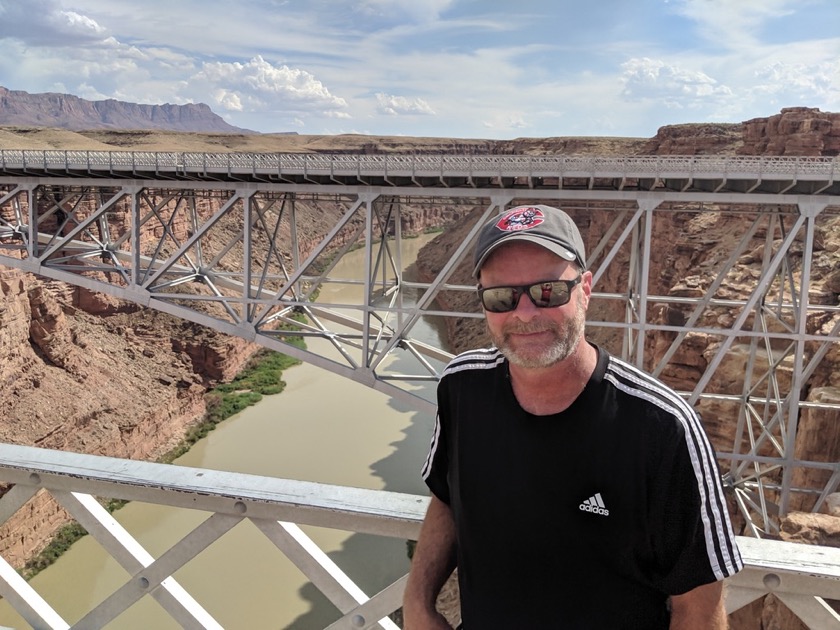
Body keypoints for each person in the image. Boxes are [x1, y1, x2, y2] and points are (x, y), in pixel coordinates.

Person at [403, 204, 743, 629]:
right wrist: (418, 604)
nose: (524, 314)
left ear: (585, 289)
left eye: (548, 292)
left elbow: (700, 609)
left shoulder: (662, 428)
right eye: (502, 297)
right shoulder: (461, 386)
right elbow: (447, 496)